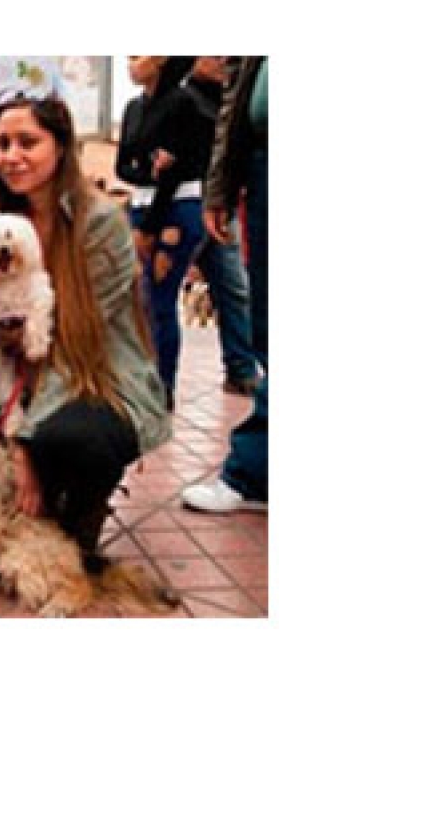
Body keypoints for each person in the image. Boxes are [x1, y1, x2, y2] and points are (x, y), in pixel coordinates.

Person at [0, 93, 171, 570]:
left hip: (94, 374)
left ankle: (80, 522)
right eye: (2, 144)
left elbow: (76, 342)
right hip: (17, 377)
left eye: (27, 142)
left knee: (72, 438)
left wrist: (22, 440)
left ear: (62, 147)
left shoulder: (101, 222)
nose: (11, 155)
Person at [185, 56, 269, 513]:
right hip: (261, 162)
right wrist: (220, 188)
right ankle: (256, 473)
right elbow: (234, 103)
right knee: (266, 321)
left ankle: (254, 472)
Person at [117, 56, 214, 409]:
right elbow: (123, 165)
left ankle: (162, 384)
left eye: (138, 55)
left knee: (160, 299)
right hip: (142, 204)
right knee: (141, 300)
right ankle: (144, 379)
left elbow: (178, 170)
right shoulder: (133, 108)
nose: (131, 64)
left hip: (176, 208)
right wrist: (149, 171)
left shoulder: (183, 103)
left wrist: (150, 224)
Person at [182, 56, 260, 395]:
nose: (220, 60)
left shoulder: (234, 98)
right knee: (158, 295)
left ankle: (241, 368)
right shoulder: (183, 100)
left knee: (235, 289)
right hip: (185, 206)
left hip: (218, 204)